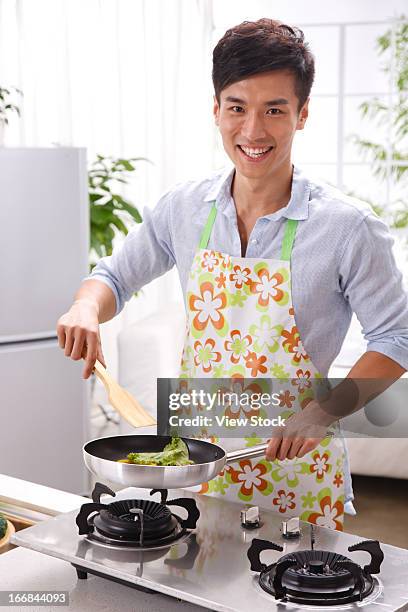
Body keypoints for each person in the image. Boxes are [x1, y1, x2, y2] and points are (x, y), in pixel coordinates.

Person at [57, 19, 408, 530]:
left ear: (302, 114)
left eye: (275, 110)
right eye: (237, 107)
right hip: (193, 465)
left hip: (296, 467)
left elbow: (397, 339)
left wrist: (323, 412)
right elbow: (113, 276)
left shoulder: (347, 228)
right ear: (216, 109)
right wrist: (85, 307)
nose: (253, 131)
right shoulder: (184, 209)